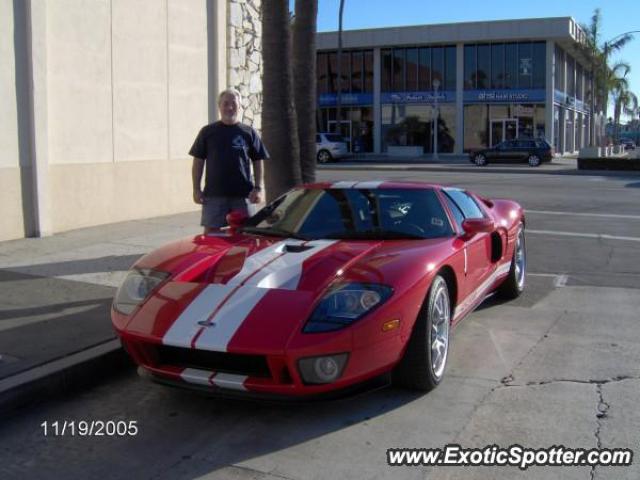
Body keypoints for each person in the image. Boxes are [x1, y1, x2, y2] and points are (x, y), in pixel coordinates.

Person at [189, 88, 268, 234]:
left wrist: (258, 188)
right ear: (219, 106)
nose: (229, 107)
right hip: (213, 196)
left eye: (234, 103)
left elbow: (258, 161)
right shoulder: (207, 132)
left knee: (246, 236)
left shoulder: (249, 132)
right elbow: (198, 162)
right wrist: (196, 189)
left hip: (244, 197)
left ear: (240, 107)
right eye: (225, 103)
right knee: (211, 240)